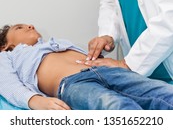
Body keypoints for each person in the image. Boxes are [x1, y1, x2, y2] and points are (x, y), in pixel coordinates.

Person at [1, 24, 173, 110]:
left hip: (110, 72)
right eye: (19, 27)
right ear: (6, 45)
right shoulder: (8, 56)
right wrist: (36, 101)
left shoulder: (54, 43)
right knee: (115, 106)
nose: (29, 25)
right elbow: (7, 84)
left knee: (162, 93)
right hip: (73, 84)